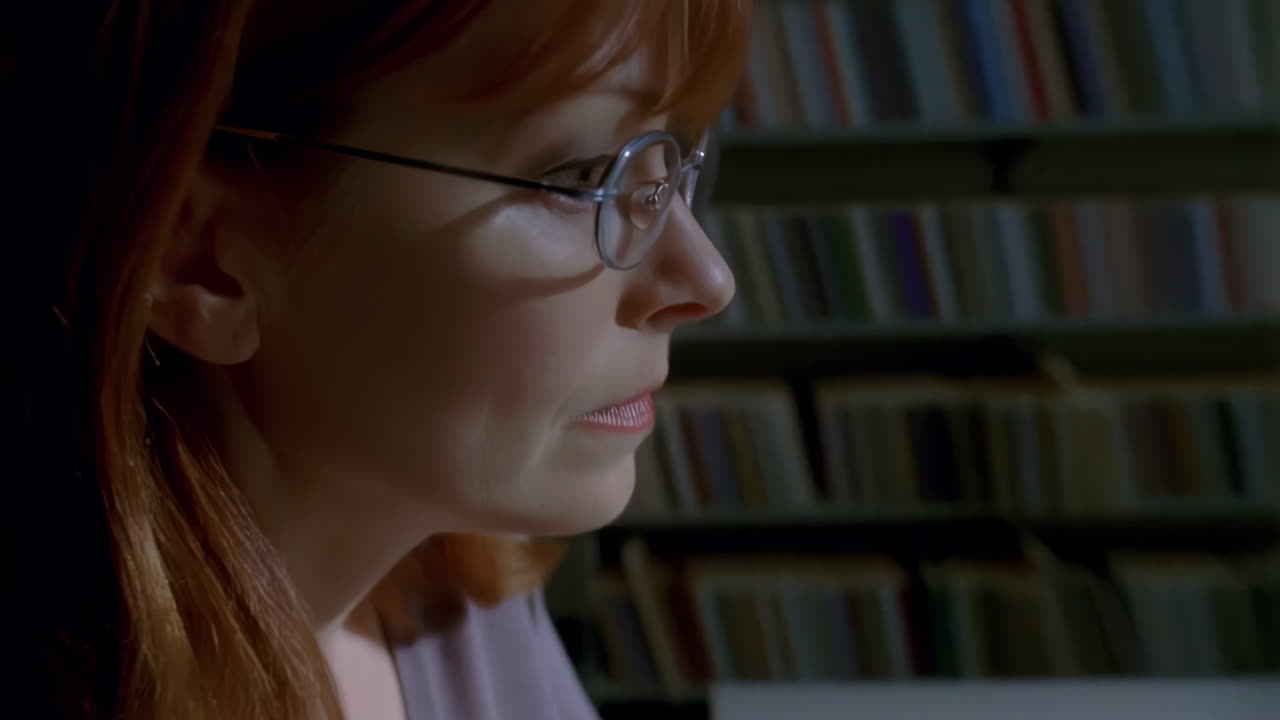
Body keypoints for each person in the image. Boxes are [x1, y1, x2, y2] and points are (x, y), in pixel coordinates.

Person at [2, 1, 752, 718]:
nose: (706, 280)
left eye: (668, 167)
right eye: (583, 177)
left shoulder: (460, 594)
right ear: (202, 260)